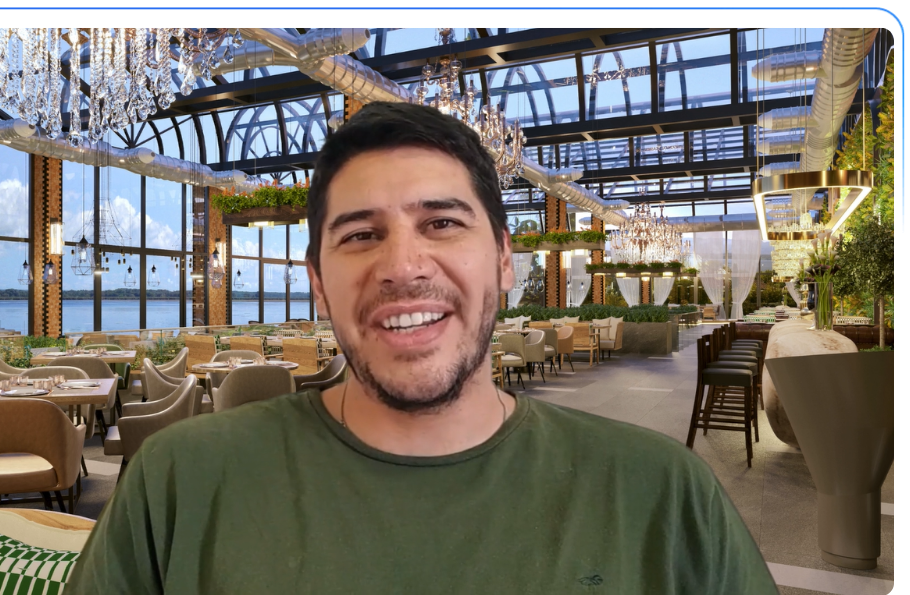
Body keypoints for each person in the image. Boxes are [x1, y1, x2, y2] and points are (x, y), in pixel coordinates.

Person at [65, 102, 779, 594]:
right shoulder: (178, 484)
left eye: (441, 223)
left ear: (503, 259)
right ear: (318, 283)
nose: (403, 267)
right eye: (360, 234)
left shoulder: (661, 494)